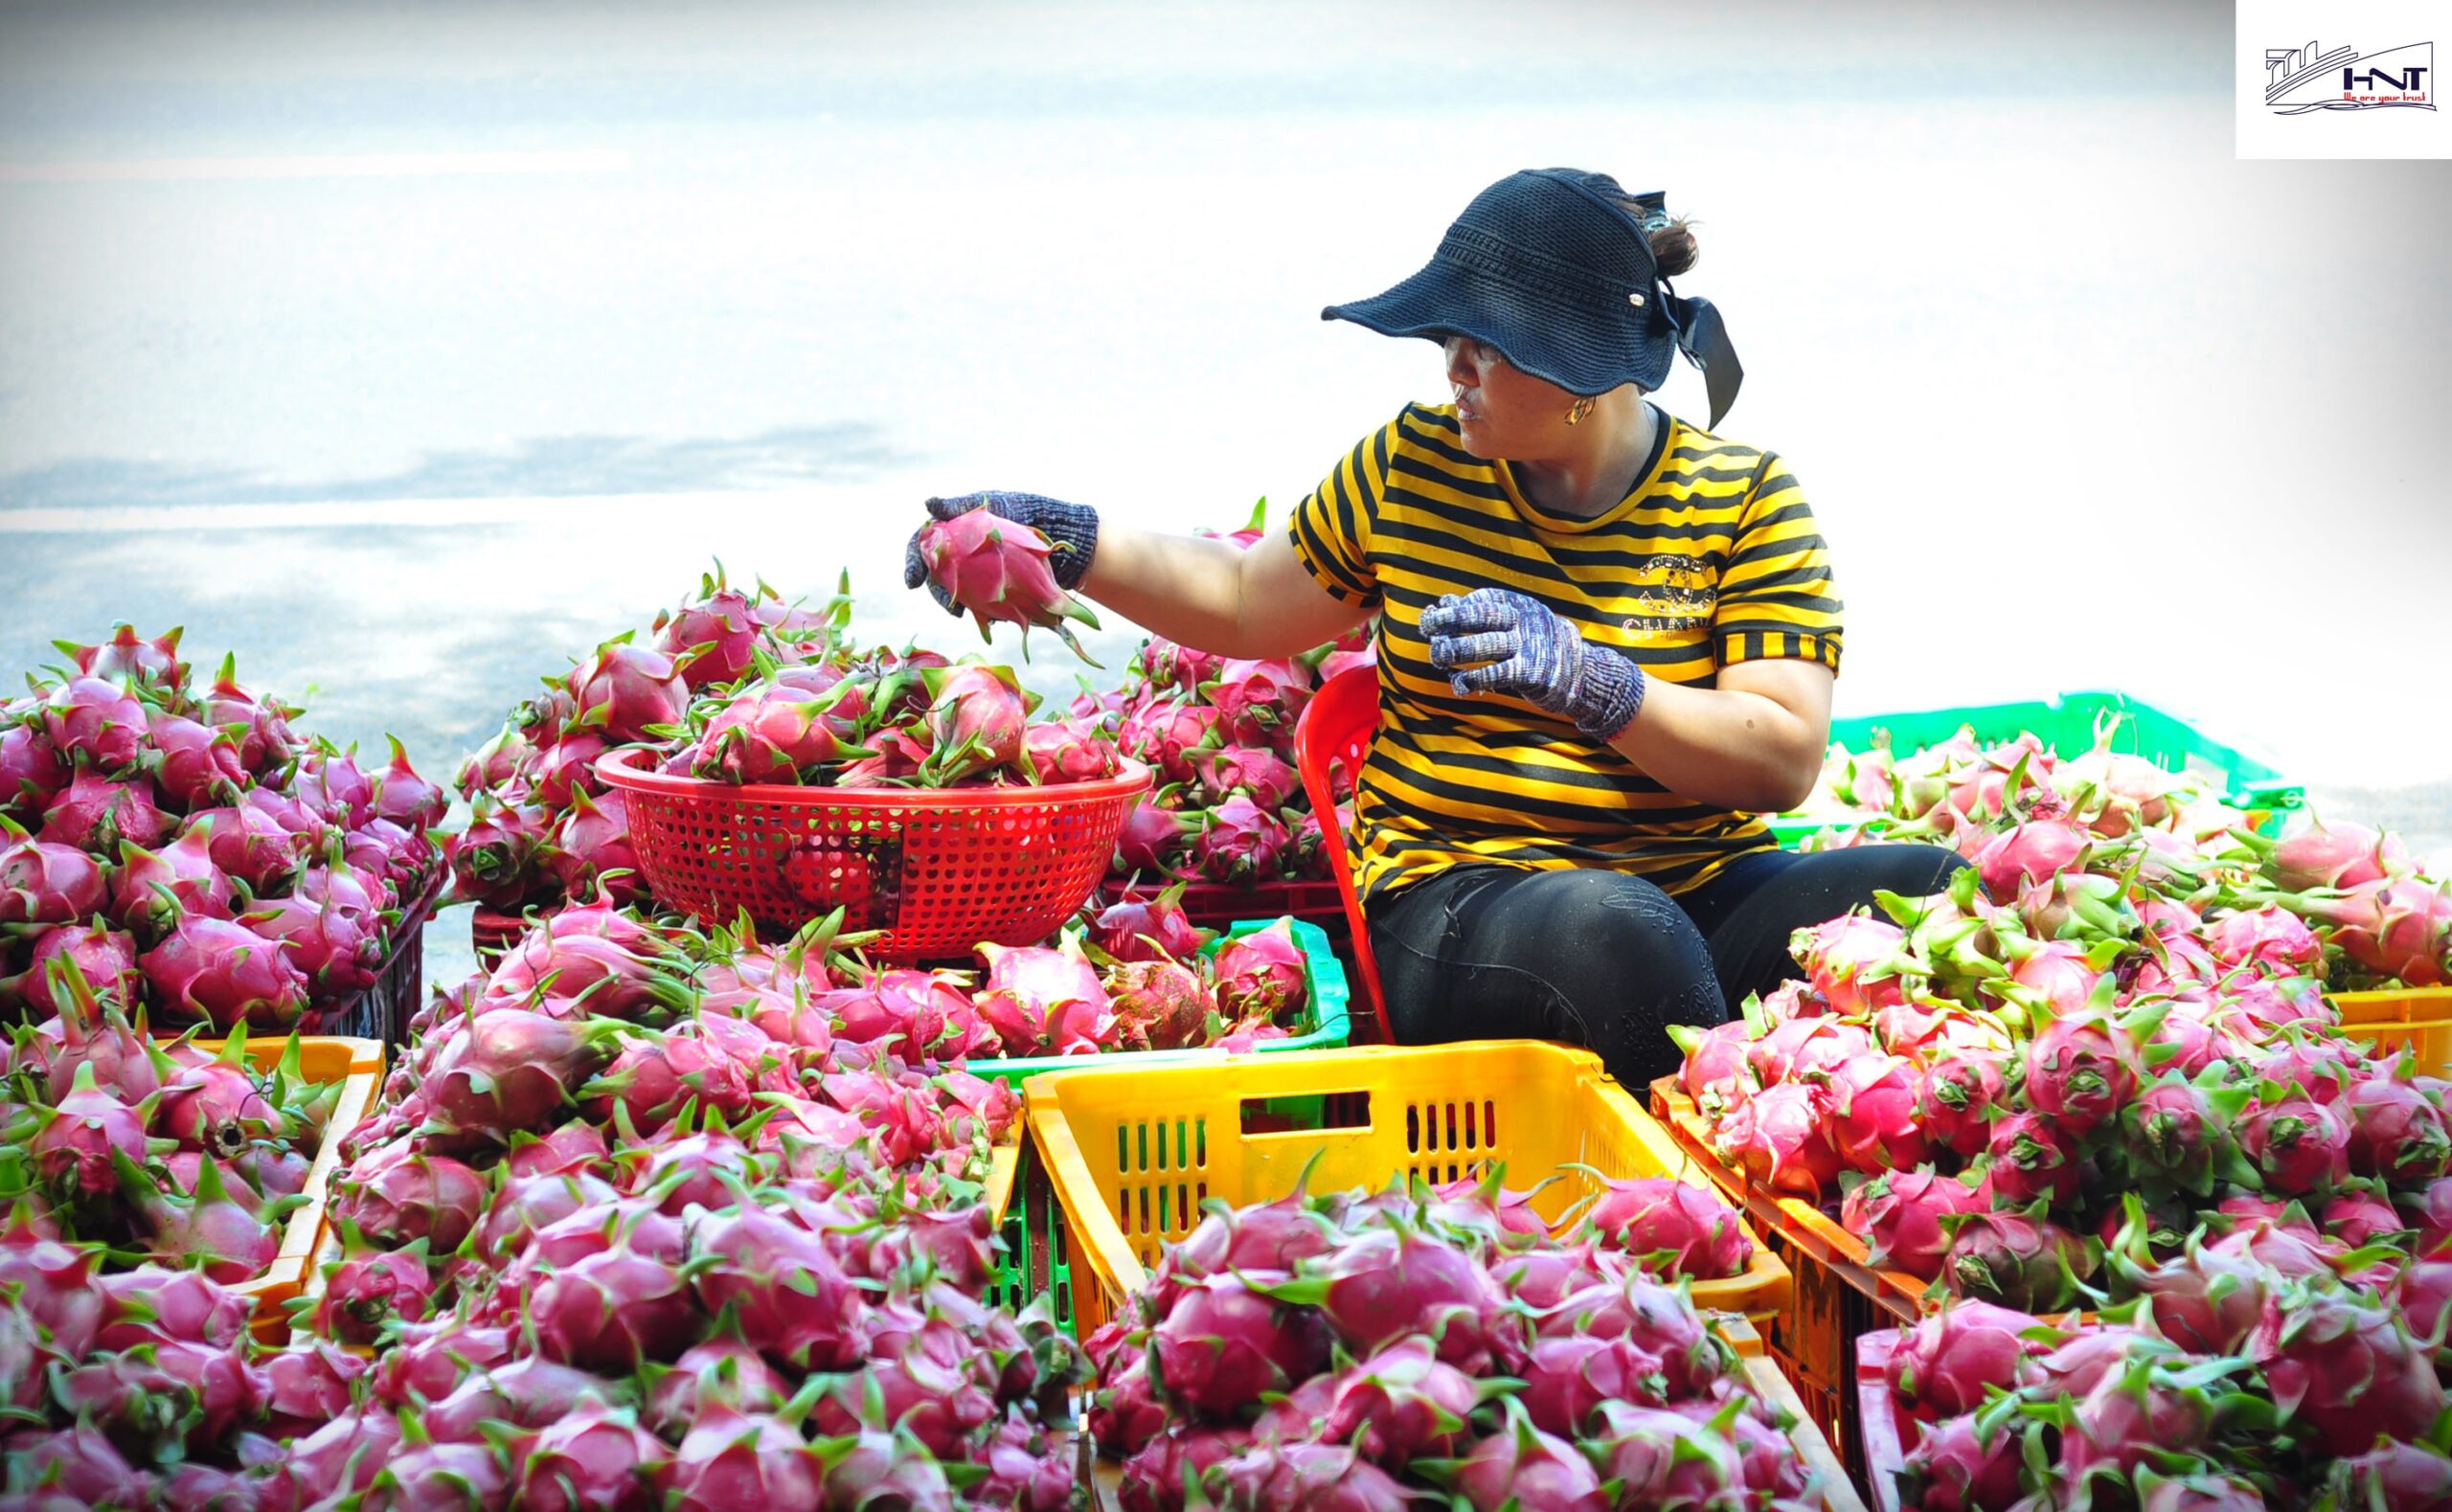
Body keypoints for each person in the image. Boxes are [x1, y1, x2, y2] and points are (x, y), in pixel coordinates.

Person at [905, 168, 1960, 1085]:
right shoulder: (1414, 467)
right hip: (1464, 898)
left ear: (1586, 373)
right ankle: (1682, 1221)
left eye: (1482, 345)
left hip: (1697, 884)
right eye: (1447, 338)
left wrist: (1598, 685)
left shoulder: (1745, 499)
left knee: (1932, 893)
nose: (1450, 366)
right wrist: (1067, 537)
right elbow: (1238, 598)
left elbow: (1778, 758)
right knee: (1620, 937)